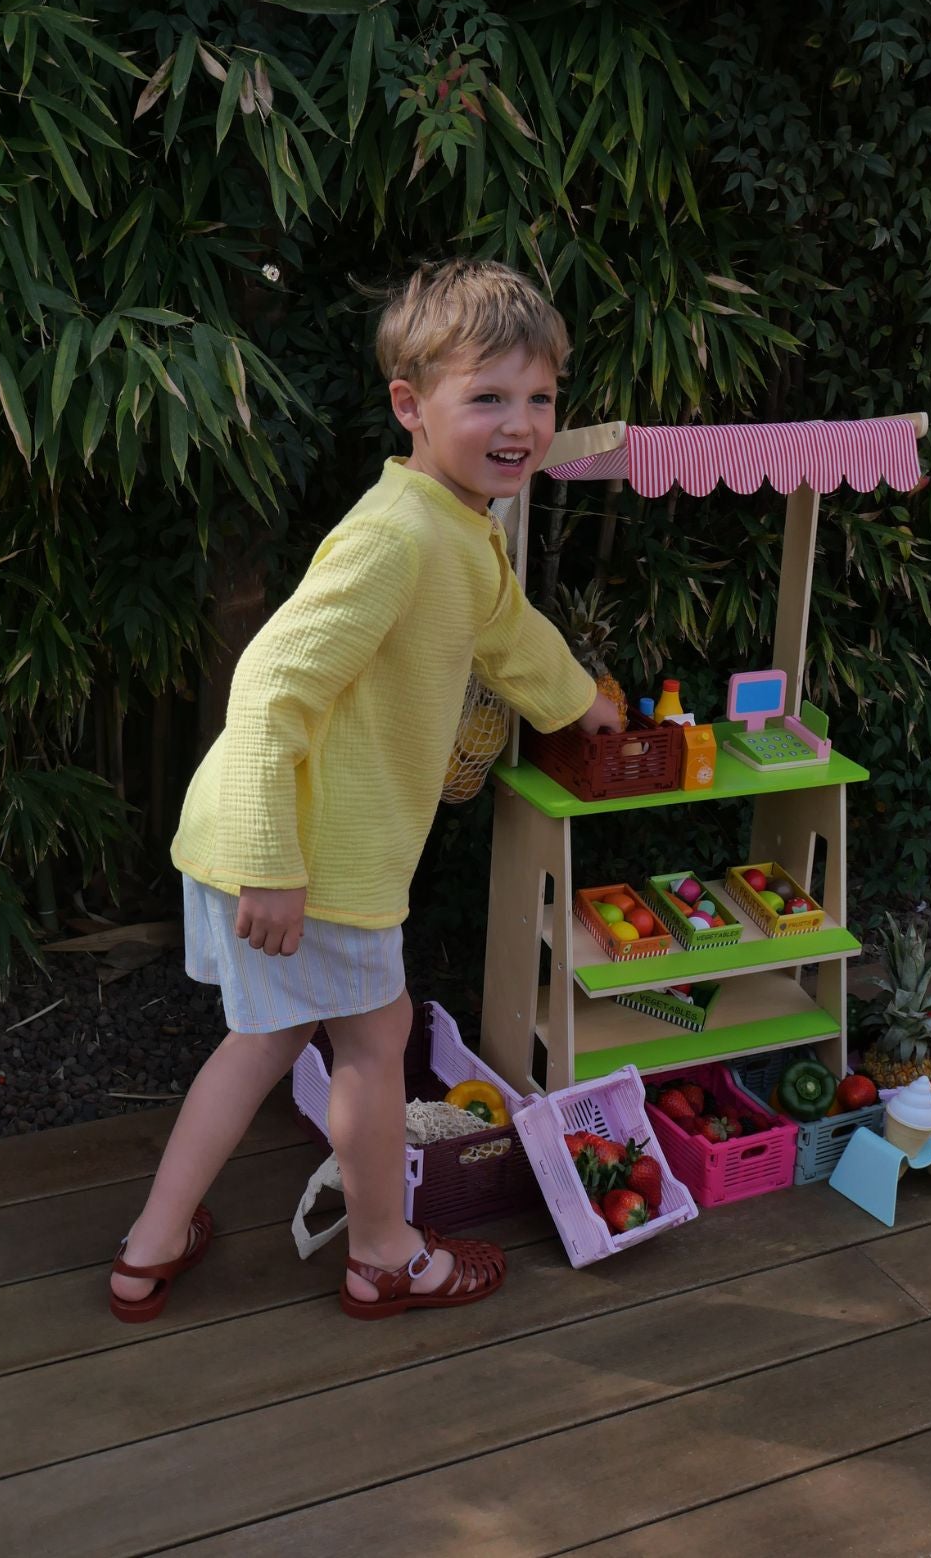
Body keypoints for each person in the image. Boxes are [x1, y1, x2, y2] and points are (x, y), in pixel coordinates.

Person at [108, 259, 621, 1323]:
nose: (518, 423)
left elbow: (502, 628)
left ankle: (149, 1246)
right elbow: (270, 684)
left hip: (294, 851)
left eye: (537, 397)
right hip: (306, 858)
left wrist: (578, 702)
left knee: (266, 1041)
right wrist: (272, 865)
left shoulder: (453, 526)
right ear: (410, 405)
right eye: (486, 397)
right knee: (375, 1041)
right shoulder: (397, 537)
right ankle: (384, 1253)